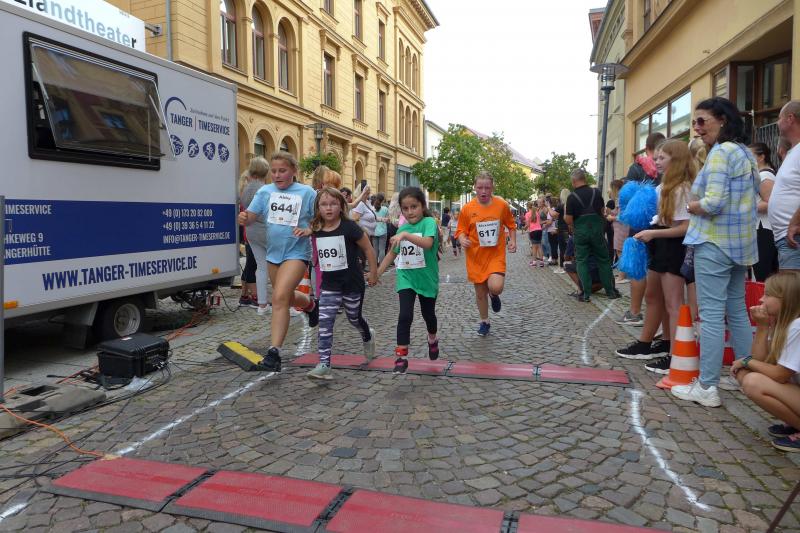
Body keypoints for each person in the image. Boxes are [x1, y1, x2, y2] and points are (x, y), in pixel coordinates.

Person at [672, 97, 759, 407]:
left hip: (715, 242)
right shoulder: (745, 153)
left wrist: (691, 206)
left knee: (710, 316)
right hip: (739, 244)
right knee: (736, 310)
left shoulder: (721, 152)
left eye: (701, 121)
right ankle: (744, 374)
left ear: (722, 120)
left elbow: (713, 202)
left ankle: (707, 386)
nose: (696, 128)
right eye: (694, 122)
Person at [614, 140, 694, 369]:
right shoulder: (663, 186)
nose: (656, 162)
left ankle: (677, 355)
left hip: (673, 246)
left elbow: (685, 227)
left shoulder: (682, 188)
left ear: (676, 160)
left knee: (673, 302)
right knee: (653, 296)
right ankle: (654, 343)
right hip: (659, 243)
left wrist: (653, 233)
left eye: (662, 158)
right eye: (655, 157)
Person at [239, 151, 319, 372]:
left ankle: (274, 353)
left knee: (279, 298)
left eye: (282, 171)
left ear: (293, 170)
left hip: (297, 253)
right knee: (285, 296)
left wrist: (309, 229)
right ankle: (311, 305)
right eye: (273, 171)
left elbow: (320, 219)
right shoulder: (265, 191)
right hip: (273, 254)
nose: (276, 175)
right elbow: (251, 217)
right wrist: (244, 218)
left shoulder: (307, 192)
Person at [304, 187, 377, 380]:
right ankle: (324, 364)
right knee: (325, 323)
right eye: (324, 204)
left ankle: (367, 334)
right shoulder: (316, 228)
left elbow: (368, 249)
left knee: (354, 318)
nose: (328, 208)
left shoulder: (350, 227)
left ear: (341, 206)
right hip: (329, 285)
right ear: (318, 208)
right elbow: (310, 230)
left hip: (352, 283)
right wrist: (305, 231)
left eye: (333, 204)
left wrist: (373, 272)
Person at [732, 271, 800, 451]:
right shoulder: (782, 323)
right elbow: (761, 360)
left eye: (768, 294)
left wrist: (746, 361)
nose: (761, 299)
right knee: (745, 375)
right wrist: (762, 326)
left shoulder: (797, 325)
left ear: (786, 300)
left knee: (753, 381)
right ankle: (795, 423)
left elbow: (779, 374)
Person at [376, 187, 440, 374]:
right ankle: (401, 357)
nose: (410, 212)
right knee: (405, 315)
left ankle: (432, 339)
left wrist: (404, 235)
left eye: (414, 207)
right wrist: (376, 274)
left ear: (422, 206)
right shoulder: (402, 229)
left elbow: (427, 243)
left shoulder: (428, 222)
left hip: (426, 279)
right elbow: (391, 254)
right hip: (406, 277)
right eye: (405, 208)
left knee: (429, 316)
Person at [455, 172, 517, 336]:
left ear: (492, 188)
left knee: (496, 286)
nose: (483, 191)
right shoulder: (467, 209)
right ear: (475, 188)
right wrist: (462, 239)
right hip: (475, 256)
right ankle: (484, 321)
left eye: (487, 188)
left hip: (495, 255)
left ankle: (494, 294)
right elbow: (460, 230)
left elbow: (511, 225)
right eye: (480, 187)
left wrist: (512, 240)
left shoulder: (501, 205)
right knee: (480, 293)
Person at [616, 132, 666, 325]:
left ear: (646, 148)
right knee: (660, 270)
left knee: (638, 269)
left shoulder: (637, 168)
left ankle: (635, 312)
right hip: (665, 225)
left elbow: (626, 200)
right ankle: (661, 317)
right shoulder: (670, 164)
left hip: (640, 226)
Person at [564, 169, 620, 303]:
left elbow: (569, 220)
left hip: (581, 234)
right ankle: (611, 291)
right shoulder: (596, 193)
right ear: (585, 179)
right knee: (604, 260)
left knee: (581, 261)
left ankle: (585, 294)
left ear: (573, 181)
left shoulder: (572, 197)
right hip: (596, 232)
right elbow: (602, 212)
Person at [769, 101, 800, 271]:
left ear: (790, 118)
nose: (777, 122)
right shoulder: (793, 152)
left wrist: (795, 222)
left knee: (791, 287)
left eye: (779, 118)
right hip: (788, 237)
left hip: (794, 237)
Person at [239, 159, 272, 315]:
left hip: (251, 232)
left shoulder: (245, 188)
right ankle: (284, 301)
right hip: (266, 231)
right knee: (276, 265)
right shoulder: (264, 190)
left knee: (260, 267)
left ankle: (262, 304)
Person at [750, 142, 778, 281]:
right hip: (762, 228)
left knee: (763, 273)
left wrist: (746, 207)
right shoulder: (761, 175)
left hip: (764, 228)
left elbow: (770, 203)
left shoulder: (764, 175)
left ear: (761, 157)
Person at [606, 179, 629, 285]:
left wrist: (612, 217)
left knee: (620, 252)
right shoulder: (621, 199)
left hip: (621, 228)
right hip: (620, 228)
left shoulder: (621, 199)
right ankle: (622, 274)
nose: (609, 190)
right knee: (620, 251)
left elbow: (623, 216)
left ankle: (622, 276)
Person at [553, 189, 571, 273]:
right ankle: (568, 265)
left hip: (562, 229)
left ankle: (562, 267)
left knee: (562, 247)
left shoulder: (561, 206)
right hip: (569, 229)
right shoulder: (570, 205)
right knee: (568, 247)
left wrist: (549, 208)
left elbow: (554, 215)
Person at [524, 200, 544, 267]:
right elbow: (539, 222)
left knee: (534, 247)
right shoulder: (537, 213)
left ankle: (534, 262)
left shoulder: (527, 214)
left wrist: (524, 228)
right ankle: (541, 262)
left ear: (527, 207)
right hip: (539, 230)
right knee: (539, 246)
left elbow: (527, 224)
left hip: (533, 231)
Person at [372, 193, 389, 265]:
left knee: (375, 249)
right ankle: (382, 265)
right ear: (382, 200)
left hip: (374, 231)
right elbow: (388, 220)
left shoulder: (372, 208)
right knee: (382, 249)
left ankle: (374, 265)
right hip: (383, 231)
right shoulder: (385, 209)